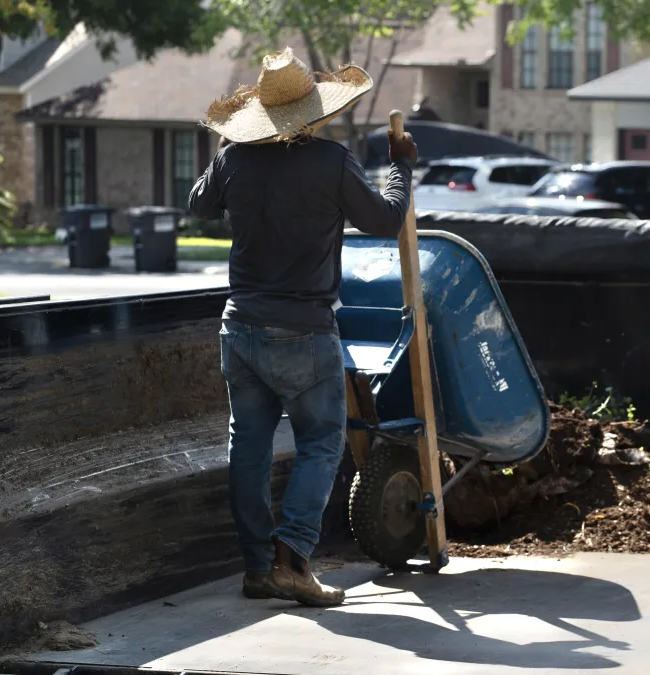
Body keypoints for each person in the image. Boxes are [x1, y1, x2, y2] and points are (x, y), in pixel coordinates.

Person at [187, 47, 418, 607]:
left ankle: (257, 569)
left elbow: (197, 206)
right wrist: (402, 165)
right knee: (320, 442)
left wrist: (228, 147)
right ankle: (292, 560)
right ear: (313, 114)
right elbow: (386, 219)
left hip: (240, 329)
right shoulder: (330, 162)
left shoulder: (235, 159)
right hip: (304, 332)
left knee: (249, 447)